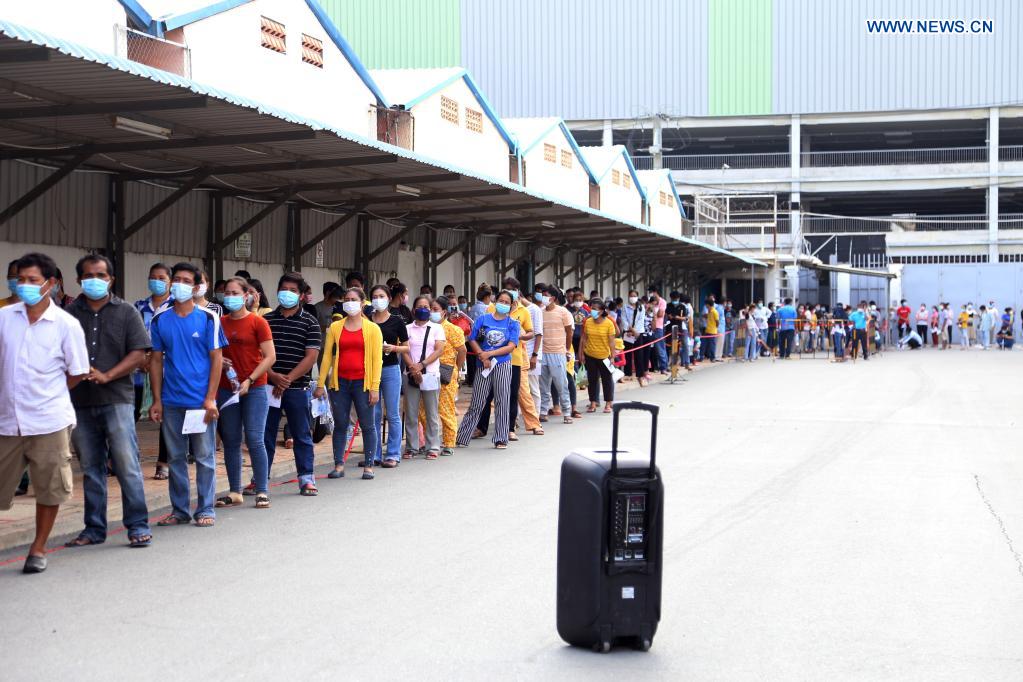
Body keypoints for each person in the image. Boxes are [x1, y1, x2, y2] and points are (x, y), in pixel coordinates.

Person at [0, 253, 90, 573]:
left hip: (49, 420)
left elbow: (78, 371)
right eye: (20, 279)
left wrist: (46, 393)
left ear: (50, 284)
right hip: (6, 420)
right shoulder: (4, 318)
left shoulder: (66, 325)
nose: (24, 286)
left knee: (49, 487)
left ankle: (38, 548)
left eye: (32, 280)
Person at [64, 254, 153, 548]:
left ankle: (138, 525)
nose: (95, 280)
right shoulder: (68, 314)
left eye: (101, 275)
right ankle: (94, 528)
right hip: (80, 400)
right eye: (88, 275)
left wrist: (108, 375)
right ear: (79, 280)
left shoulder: (126, 312)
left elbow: (139, 354)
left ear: (111, 279)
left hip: (117, 398)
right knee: (91, 467)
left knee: (126, 463)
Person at [148, 262, 226, 528]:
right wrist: (156, 399)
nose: (179, 284)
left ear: (195, 287)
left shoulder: (207, 318)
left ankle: (205, 508)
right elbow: (156, 361)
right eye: (176, 279)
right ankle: (180, 510)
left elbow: (217, 359)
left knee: (204, 457)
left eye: (185, 280)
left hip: (199, 402)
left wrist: (210, 398)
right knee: (175, 458)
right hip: (171, 401)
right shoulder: (160, 318)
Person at [216, 277, 275, 509]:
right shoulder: (218, 322)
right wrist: (219, 360)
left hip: (255, 387)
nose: (229, 296)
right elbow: (211, 352)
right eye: (226, 292)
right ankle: (234, 490)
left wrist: (250, 379)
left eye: (234, 292)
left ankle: (262, 490)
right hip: (226, 388)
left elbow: (270, 356)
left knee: (254, 438)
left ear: (246, 295)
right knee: (230, 439)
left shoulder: (257, 323)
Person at [262, 272, 322, 496]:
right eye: (284, 289)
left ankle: (306, 478)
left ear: (301, 295)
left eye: (293, 290)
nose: (287, 294)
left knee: (301, 434)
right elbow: (259, 354)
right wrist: (272, 375)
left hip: (297, 388)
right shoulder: (266, 320)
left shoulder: (310, 322)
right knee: (265, 435)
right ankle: (260, 479)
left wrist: (286, 379)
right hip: (268, 387)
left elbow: (311, 357)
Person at [316, 287, 382, 480]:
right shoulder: (335, 327)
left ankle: (369, 465)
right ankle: (338, 464)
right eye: (346, 299)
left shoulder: (372, 329)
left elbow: (377, 360)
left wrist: (375, 387)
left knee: (368, 425)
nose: (349, 302)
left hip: (363, 383)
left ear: (362, 303)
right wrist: (321, 383)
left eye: (353, 299)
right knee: (340, 424)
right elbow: (327, 356)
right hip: (340, 383)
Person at [457, 290, 520, 449]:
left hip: (502, 364)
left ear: (511, 305)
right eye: (501, 301)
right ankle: (462, 436)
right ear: (495, 301)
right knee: (477, 401)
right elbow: (472, 339)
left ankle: (501, 438)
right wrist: (481, 355)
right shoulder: (483, 319)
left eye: (507, 302)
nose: (503, 305)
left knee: (502, 401)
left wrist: (489, 354)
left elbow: (511, 346)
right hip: (483, 365)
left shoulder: (513, 324)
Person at [476, 278, 537, 440]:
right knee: (486, 394)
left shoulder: (523, 311)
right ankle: (481, 427)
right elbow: (480, 331)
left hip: (513, 359)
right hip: (489, 358)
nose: (505, 300)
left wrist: (522, 336)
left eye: (513, 290)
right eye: (506, 290)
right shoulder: (490, 309)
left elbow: (532, 332)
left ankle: (509, 428)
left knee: (510, 394)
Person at [134, 262, 173, 479]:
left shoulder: (175, 307)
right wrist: (142, 358)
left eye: (161, 277)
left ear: (170, 281)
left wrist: (156, 358)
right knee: (129, 415)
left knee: (166, 416)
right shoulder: (139, 306)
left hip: (166, 369)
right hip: (138, 370)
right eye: (153, 277)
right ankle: (124, 459)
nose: (156, 281)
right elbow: (130, 335)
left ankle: (163, 462)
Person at [366, 284, 408, 468]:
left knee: (392, 413)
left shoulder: (397, 321)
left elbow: (407, 346)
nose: (378, 299)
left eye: (382, 296)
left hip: (390, 369)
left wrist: (394, 348)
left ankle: (393, 454)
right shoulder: (367, 320)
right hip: (370, 370)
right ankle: (374, 454)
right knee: (372, 413)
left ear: (389, 298)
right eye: (375, 296)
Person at [402, 295, 446, 458]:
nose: (424, 309)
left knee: (431, 412)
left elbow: (439, 349)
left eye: (427, 307)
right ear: (414, 310)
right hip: (410, 374)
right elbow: (404, 349)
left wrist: (422, 365)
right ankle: (412, 447)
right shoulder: (407, 328)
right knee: (411, 412)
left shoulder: (436, 328)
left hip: (430, 374)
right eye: (420, 306)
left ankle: (433, 446)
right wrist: (413, 368)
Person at [427, 296, 466, 456]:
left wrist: (456, 368)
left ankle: (449, 442)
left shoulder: (453, 329)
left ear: (444, 312)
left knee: (445, 408)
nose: (432, 313)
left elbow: (462, 350)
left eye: (435, 310)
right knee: (424, 409)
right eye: (430, 309)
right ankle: (433, 441)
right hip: (428, 370)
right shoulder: (426, 328)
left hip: (446, 370)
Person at [539, 285, 574, 424]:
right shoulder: (540, 312)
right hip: (543, 353)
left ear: (553, 298)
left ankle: (567, 411)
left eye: (545, 295)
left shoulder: (563, 312)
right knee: (543, 385)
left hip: (558, 353)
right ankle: (543, 411)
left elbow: (569, 332)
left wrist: (566, 349)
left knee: (561, 384)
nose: (543, 298)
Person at [579, 299, 617, 414]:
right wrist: (581, 353)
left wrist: (612, 357)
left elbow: (612, 342)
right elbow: (584, 338)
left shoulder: (609, 323)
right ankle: (593, 403)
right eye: (592, 308)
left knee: (607, 380)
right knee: (592, 380)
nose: (592, 311)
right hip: (590, 355)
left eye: (595, 309)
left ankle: (608, 403)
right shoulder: (588, 321)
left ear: (601, 311)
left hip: (604, 356)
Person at [620, 290, 650, 385]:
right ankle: (627, 373)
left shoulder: (641, 307)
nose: (632, 298)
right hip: (628, 332)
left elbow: (641, 320)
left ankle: (640, 375)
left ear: (637, 297)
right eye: (631, 296)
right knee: (627, 353)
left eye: (634, 296)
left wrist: (635, 331)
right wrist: (630, 330)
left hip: (638, 333)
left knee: (639, 354)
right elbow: (623, 319)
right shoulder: (625, 307)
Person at [702, 296, 720, 362]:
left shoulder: (715, 312)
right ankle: (705, 356)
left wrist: (715, 328)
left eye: (706, 304)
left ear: (708, 304)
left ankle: (713, 358)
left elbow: (717, 321)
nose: (705, 306)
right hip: (707, 330)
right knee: (705, 344)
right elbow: (706, 316)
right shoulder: (709, 312)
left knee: (712, 345)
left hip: (712, 331)